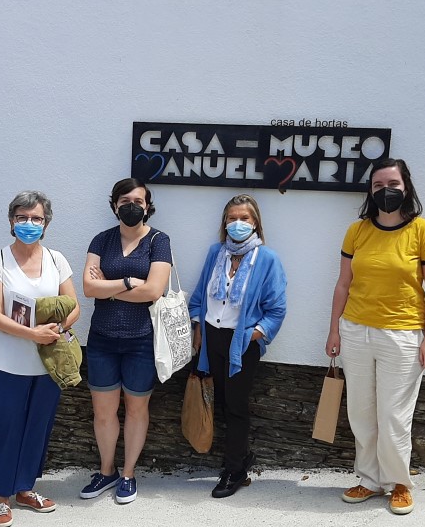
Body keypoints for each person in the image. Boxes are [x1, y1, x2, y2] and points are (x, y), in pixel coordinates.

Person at [325, 158, 425, 516]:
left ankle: (399, 483)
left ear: (406, 187)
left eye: (393, 184)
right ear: (370, 190)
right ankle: (369, 480)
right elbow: (343, 284)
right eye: (378, 185)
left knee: (394, 416)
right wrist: (334, 329)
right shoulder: (357, 231)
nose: (386, 190)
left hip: (403, 335)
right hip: (355, 331)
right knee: (361, 412)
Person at [0, 191, 79, 527]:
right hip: (8, 362)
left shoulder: (56, 260)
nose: (29, 224)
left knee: (38, 426)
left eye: (36, 218)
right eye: (22, 217)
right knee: (4, 427)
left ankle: (24, 488)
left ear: (46, 223)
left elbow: (74, 305)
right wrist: (32, 334)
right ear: (11, 221)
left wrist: (56, 328)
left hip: (47, 362)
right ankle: (1, 497)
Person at [188, 194, 287, 498]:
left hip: (241, 344)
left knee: (236, 407)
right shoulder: (215, 253)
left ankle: (234, 471)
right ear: (225, 222)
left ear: (255, 222)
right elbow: (200, 296)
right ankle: (241, 458)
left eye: (244, 218)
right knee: (220, 402)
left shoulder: (266, 259)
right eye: (232, 218)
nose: (238, 223)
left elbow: (276, 309)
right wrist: (197, 327)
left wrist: (251, 335)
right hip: (212, 338)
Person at [81, 178, 172, 504]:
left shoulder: (159, 241)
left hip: (141, 341)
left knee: (136, 410)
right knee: (103, 413)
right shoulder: (101, 240)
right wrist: (131, 282)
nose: (131, 206)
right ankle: (106, 471)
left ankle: (129, 474)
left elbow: (154, 291)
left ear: (147, 207)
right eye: (124, 201)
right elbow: (88, 288)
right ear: (114, 205)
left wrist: (110, 286)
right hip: (102, 340)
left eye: (138, 201)